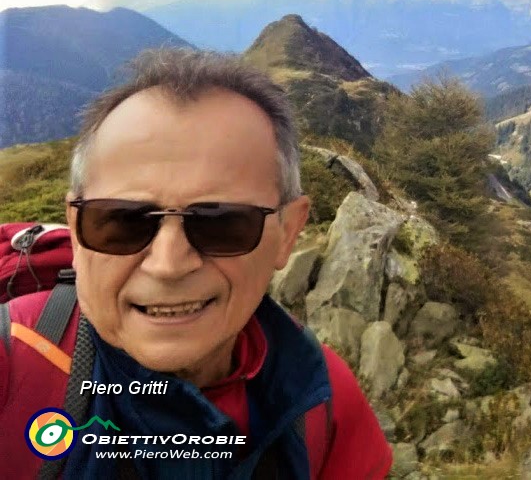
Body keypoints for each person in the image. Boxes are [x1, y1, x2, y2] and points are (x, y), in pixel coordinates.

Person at [0, 49, 393, 478]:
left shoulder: (323, 400)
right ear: (77, 230)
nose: (169, 264)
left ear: (288, 233)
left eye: (223, 224)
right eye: (123, 221)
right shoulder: (13, 361)